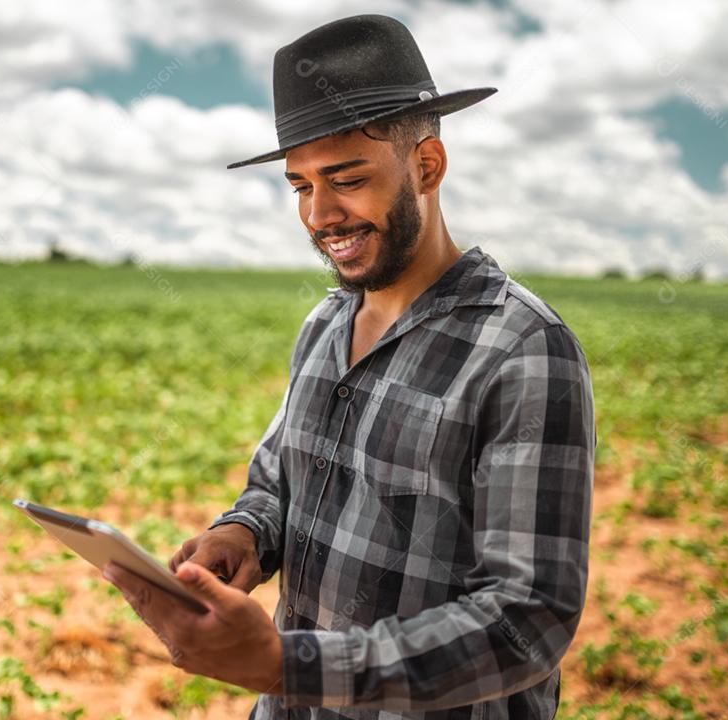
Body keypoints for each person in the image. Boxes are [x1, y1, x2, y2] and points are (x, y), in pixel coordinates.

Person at [103, 13, 595, 719]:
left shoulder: (523, 350)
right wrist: (242, 534)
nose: (320, 214)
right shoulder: (326, 324)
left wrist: (290, 665)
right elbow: (278, 483)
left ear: (427, 165)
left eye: (346, 179)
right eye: (301, 186)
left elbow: (529, 618)